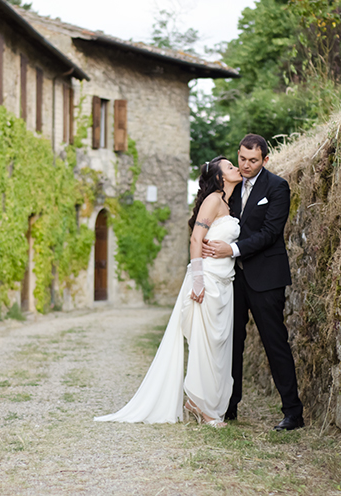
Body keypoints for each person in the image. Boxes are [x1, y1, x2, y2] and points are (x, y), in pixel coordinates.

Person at [94, 156, 243, 427]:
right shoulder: (213, 200)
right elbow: (196, 238)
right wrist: (197, 280)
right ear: (220, 178)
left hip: (224, 282)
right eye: (230, 167)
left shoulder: (227, 204)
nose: (236, 168)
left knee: (218, 345)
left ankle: (202, 402)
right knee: (204, 344)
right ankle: (200, 403)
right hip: (207, 281)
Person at [202, 134, 304, 431]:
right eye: (242, 159)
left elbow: (271, 232)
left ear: (265, 160)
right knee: (231, 342)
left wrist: (231, 249)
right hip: (233, 278)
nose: (246, 166)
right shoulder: (229, 188)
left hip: (266, 279)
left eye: (253, 161)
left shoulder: (277, 187)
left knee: (275, 343)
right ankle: (229, 405)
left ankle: (293, 413)